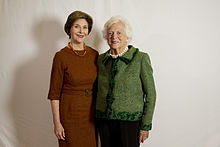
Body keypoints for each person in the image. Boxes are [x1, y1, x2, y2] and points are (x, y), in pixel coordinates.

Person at [95, 16, 156, 147]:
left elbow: (151, 94)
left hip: (130, 122)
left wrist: (145, 125)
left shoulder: (140, 58)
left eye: (119, 33)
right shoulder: (101, 60)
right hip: (104, 120)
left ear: (127, 36)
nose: (114, 36)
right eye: (110, 33)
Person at [48, 11, 98, 147]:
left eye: (85, 27)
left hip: (91, 115)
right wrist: (57, 123)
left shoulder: (94, 54)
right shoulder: (61, 56)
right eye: (77, 26)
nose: (81, 31)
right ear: (69, 28)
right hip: (70, 114)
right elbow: (54, 94)